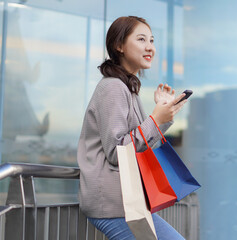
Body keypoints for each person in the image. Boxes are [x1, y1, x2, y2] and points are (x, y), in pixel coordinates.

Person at [77, 16, 187, 240]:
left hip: (126, 204)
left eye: (152, 40)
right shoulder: (113, 88)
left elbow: (140, 146)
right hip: (113, 205)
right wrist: (156, 119)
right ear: (119, 46)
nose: (150, 47)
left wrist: (162, 114)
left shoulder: (127, 89)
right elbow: (118, 151)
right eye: (141, 39)